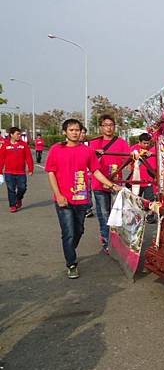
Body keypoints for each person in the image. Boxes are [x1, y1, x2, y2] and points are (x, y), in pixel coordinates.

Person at [45, 119, 122, 279]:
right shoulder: (56, 149)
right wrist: (58, 195)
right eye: (71, 130)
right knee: (68, 232)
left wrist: (112, 185)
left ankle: (69, 250)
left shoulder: (87, 151)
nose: (75, 132)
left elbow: (95, 171)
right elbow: (51, 172)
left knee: (78, 230)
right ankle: (71, 264)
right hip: (64, 199)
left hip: (81, 199)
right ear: (65, 132)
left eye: (77, 130)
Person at [88, 114, 130, 254]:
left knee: (118, 213)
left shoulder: (121, 143)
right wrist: (95, 154)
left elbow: (129, 159)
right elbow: (86, 161)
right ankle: (106, 240)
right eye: (106, 125)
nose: (109, 128)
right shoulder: (93, 143)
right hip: (99, 185)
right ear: (101, 127)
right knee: (104, 214)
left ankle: (118, 240)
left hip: (116, 184)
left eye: (111, 125)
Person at [0, 127, 34, 212]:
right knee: (11, 189)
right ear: (11, 135)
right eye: (17, 134)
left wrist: (30, 169)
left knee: (22, 188)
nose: (19, 136)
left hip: (21, 172)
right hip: (9, 172)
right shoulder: (5, 145)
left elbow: (29, 157)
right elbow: (1, 158)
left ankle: (18, 199)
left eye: (20, 134)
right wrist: (0, 170)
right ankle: (13, 205)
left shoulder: (24, 145)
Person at [129, 133, 157, 223]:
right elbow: (130, 155)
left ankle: (149, 217)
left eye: (148, 143)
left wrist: (151, 154)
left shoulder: (152, 151)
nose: (146, 145)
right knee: (135, 199)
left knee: (150, 199)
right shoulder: (134, 149)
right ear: (139, 142)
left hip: (149, 180)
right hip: (136, 180)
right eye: (144, 143)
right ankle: (135, 216)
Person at [79, 126, 94, 218]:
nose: (82, 134)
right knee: (81, 190)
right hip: (78, 172)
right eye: (81, 132)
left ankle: (88, 209)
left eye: (84, 133)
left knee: (87, 190)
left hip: (88, 172)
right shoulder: (71, 144)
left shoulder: (89, 144)